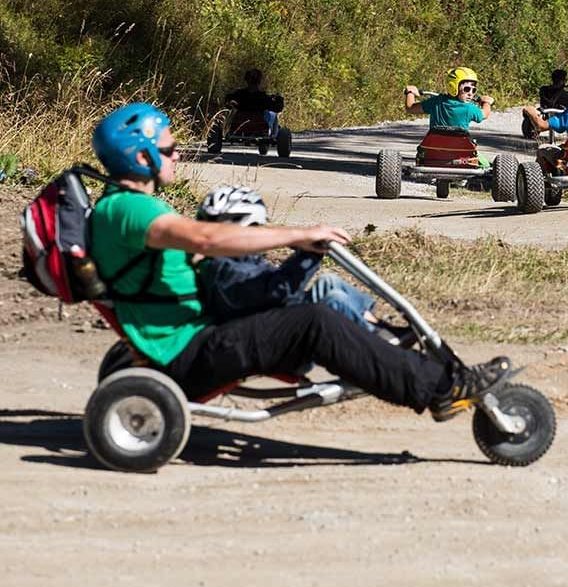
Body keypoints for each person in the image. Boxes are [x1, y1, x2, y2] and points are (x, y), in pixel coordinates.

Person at [88, 103, 509, 419]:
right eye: (169, 148)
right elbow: (207, 236)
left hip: (191, 337)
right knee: (314, 322)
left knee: (316, 306)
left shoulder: (119, 207)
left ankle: (426, 372)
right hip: (189, 350)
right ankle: (442, 388)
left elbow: (191, 247)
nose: (178, 155)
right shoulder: (131, 209)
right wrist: (301, 235)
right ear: (141, 157)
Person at [194, 184, 413, 346]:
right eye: (256, 228)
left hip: (272, 316)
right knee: (333, 301)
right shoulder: (226, 271)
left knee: (329, 281)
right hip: (270, 335)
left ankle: (379, 327)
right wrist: (309, 254)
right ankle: (378, 341)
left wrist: (301, 244)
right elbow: (281, 291)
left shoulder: (230, 259)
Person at [404, 66, 493, 131]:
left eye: (473, 90)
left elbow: (410, 108)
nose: (470, 93)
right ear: (453, 87)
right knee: (473, 144)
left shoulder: (435, 102)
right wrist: (487, 103)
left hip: (434, 148)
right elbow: (485, 114)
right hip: (459, 150)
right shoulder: (469, 108)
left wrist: (410, 93)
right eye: (467, 89)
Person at [224, 68, 284, 137]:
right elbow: (278, 108)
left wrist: (232, 104)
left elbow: (227, 102)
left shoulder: (239, 95)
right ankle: (274, 135)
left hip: (239, 127)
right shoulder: (263, 98)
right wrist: (279, 99)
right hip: (259, 128)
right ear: (259, 81)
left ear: (246, 80)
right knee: (272, 115)